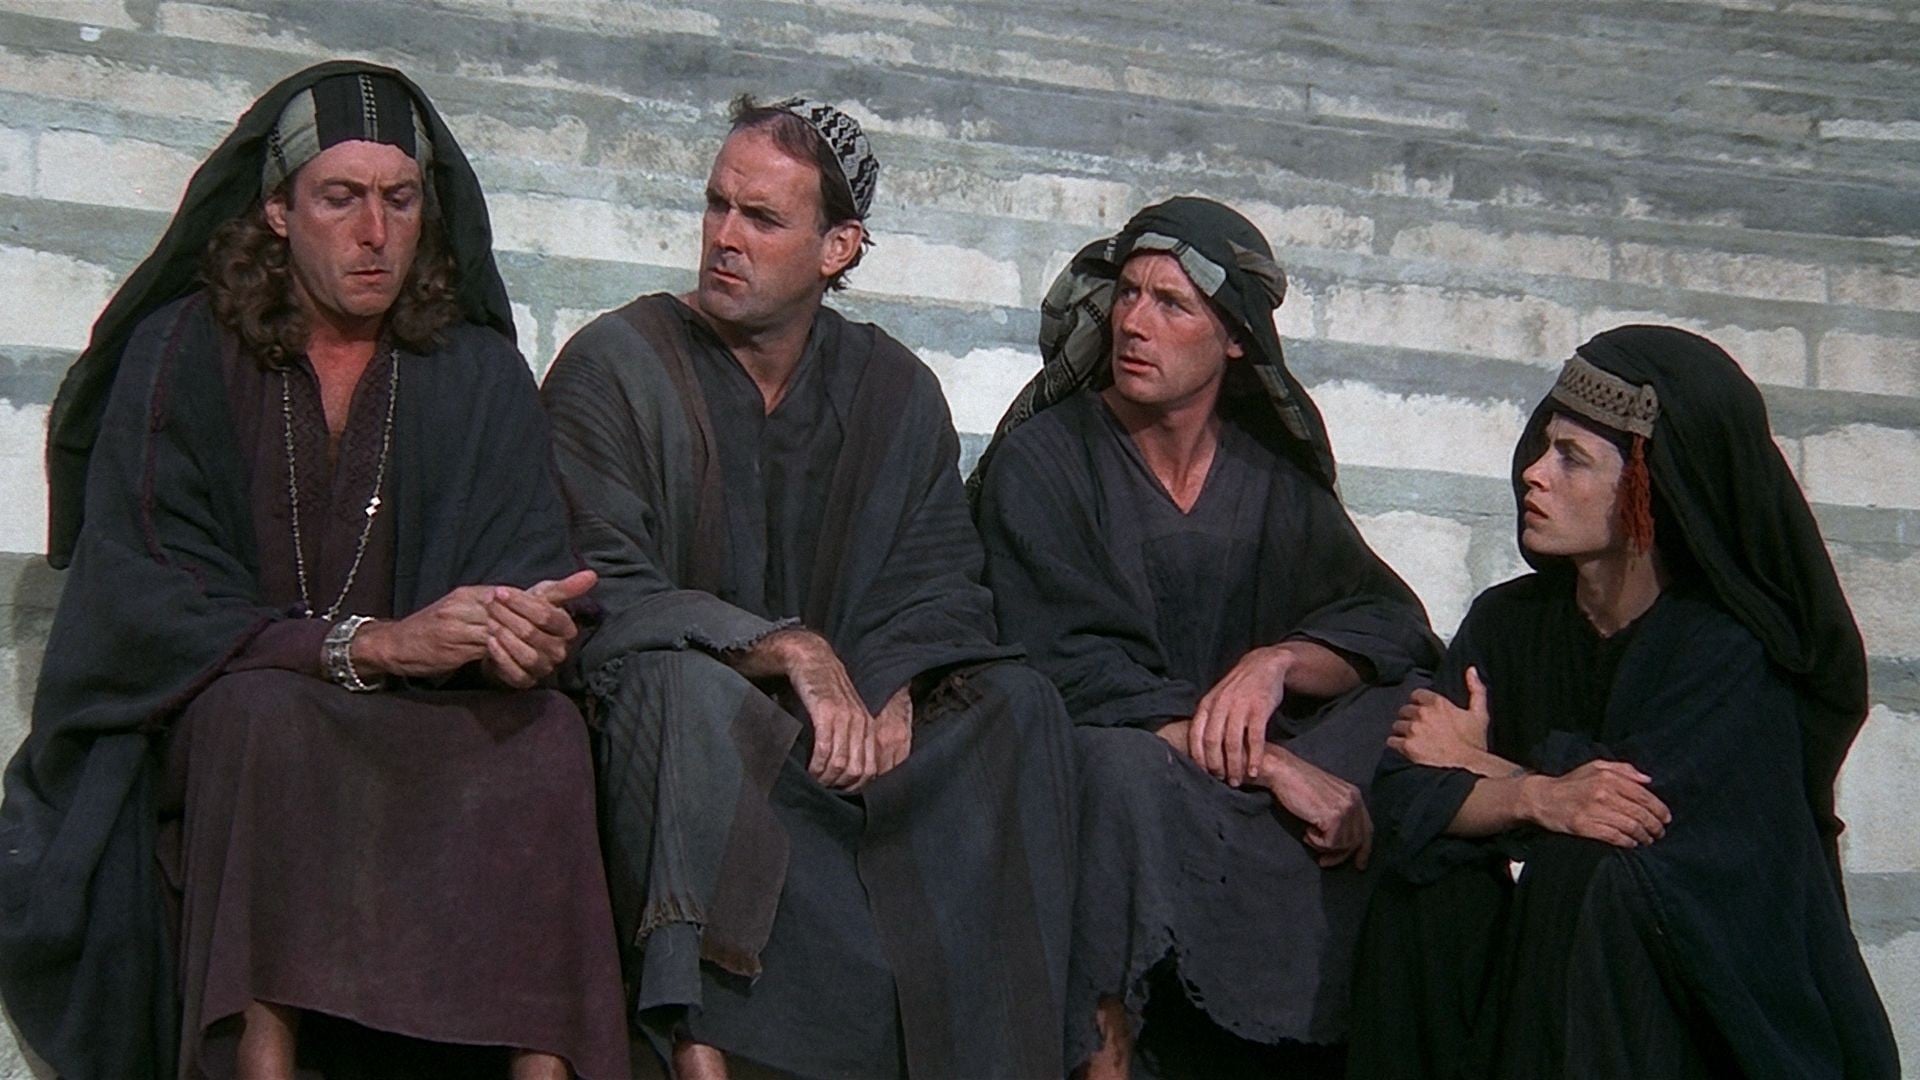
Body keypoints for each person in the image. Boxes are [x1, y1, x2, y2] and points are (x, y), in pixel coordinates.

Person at [0, 62, 628, 1080]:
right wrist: (364, 645)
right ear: (278, 210)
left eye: (400, 200)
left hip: (424, 719)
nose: (375, 233)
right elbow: (148, 590)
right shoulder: (182, 350)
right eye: (341, 198)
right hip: (247, 702)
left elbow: (527, 561)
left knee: (550, 737)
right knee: (265, 720)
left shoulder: (476, 370)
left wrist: (527, 632)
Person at [540, 95, 1075, 1080]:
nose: (725, 237)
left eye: (762, 218)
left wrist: (901, 680)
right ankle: (700, 1045)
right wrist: (788, 648)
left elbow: (939, 578)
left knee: (1020, 705)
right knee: (680, 690)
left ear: (839, 247)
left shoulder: (894, 389)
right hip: (697, 728)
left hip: (846, 740)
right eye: (717, 206)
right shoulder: (616, 363)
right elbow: (598, 580)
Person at [970, 196, 1442, 1079]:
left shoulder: (1270, 481)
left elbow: (1386, 620)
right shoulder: (1045, 461)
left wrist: (1278, 663)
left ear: (1233, 339)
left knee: (1403, 711)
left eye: (1171, 304)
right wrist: (1269, 765)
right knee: (1120, 769)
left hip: (1231, 779)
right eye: (1128, 294)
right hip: (1116, 759)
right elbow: (1064, 662)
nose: (1134, 323)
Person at [1351, 325, 1899, 1079]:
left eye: (1571, 458)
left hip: (1701, 1005)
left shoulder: (1728, 649)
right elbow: (1405, 791)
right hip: (1554, 985)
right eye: (1544, 446)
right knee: (1430, 884)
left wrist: (1482, 768)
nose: (1533, 474)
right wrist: (1537, 796)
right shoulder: (1508, 622)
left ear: (1650, 486)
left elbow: (1627, 817)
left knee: (1588, 873)